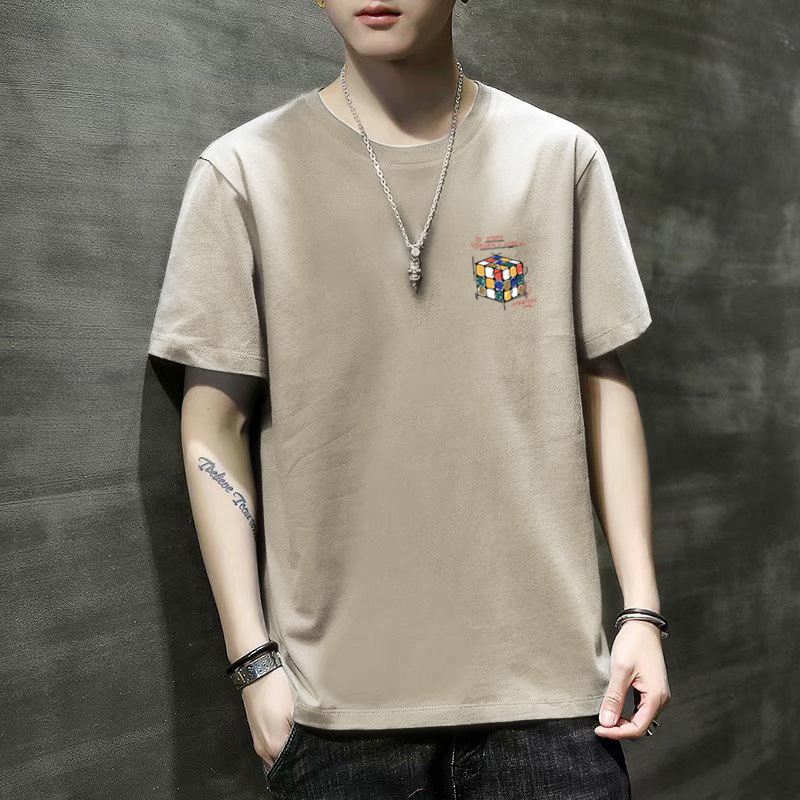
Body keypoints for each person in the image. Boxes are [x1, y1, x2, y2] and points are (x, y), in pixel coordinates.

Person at [147, 0, 671, 797]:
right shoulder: (242, 173)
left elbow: (601, 379)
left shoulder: (558, 158)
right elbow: (213, 425)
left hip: (553, 699)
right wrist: (252, 664)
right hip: (335, 712)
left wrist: (641, 610)